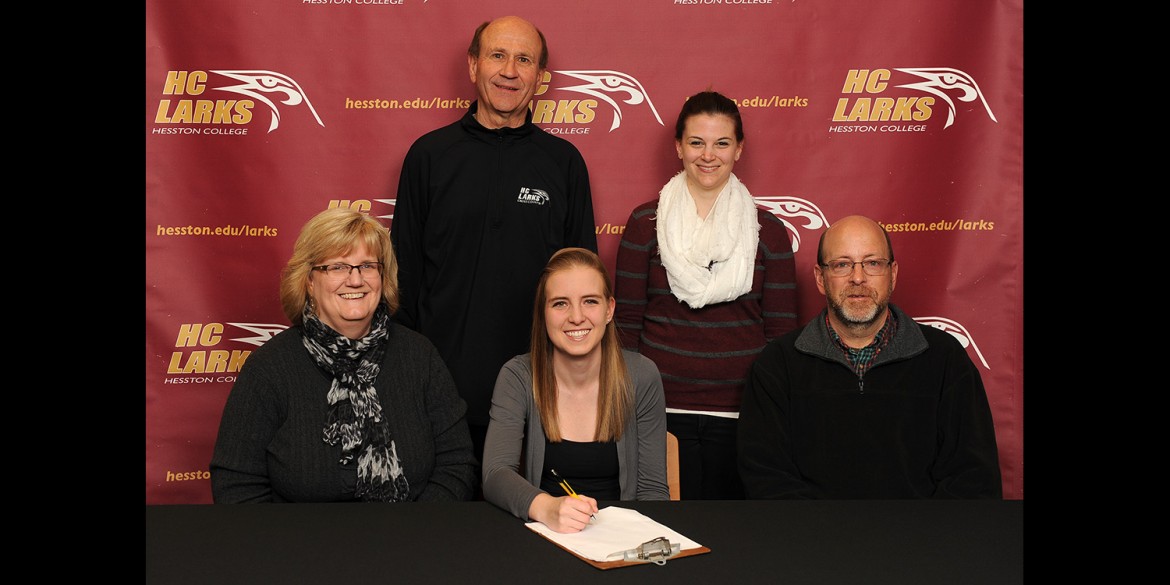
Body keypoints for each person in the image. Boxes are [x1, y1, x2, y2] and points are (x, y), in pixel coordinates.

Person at [391, 15, 597, 476]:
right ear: (473, 66)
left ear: (540, 77)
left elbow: (584, 287)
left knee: (533, 535)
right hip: (441, 397)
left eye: (524, 59)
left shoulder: (564, 164)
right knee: (447, 536)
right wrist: (411, 384)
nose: (510, 70)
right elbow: (400, 282)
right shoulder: (429, 156)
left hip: (541, 396)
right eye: (497, 55)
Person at [209, 208, 477, 502]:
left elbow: (457, 465)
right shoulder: (269, 368)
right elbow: (237, 487)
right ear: (309, 281)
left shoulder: (420, 356)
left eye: (367, 266)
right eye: (337, 267)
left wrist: (413, 534)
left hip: (411, 540)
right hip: (298, 545)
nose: (355, 280)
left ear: (382, 277)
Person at [614, 90, 798, 500]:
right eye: (696, 142)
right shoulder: (645, 223)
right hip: (657, 413)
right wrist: (635, 408)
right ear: (678, 147)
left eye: (721, 143)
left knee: (730, 542)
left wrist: (764, 411)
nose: (708, 155)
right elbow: (626, 325)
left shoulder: (766, 231)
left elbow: (781, 334)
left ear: (739, 149)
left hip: (741, 415)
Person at [737, 215, 1002, 499]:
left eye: (873, 263)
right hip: (812, 538)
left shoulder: (945, 359)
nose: (858, 277)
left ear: (893, 274)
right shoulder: (777, 365)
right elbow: (766, 478)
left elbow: (973, 477)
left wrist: (921, 537)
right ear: (820, 278)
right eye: (841, 264)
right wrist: (826, 536)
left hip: (920, 539)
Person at [483, 248, 669, 533]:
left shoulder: (642, 376)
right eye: (560, 304)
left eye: (590, 302)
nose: (577, 317)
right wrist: (547, 508)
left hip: (623, 543)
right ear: (543, 313)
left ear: (609, 310)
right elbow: (496, 474)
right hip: (544, 534)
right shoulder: (517, 376)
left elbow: (653, 491)